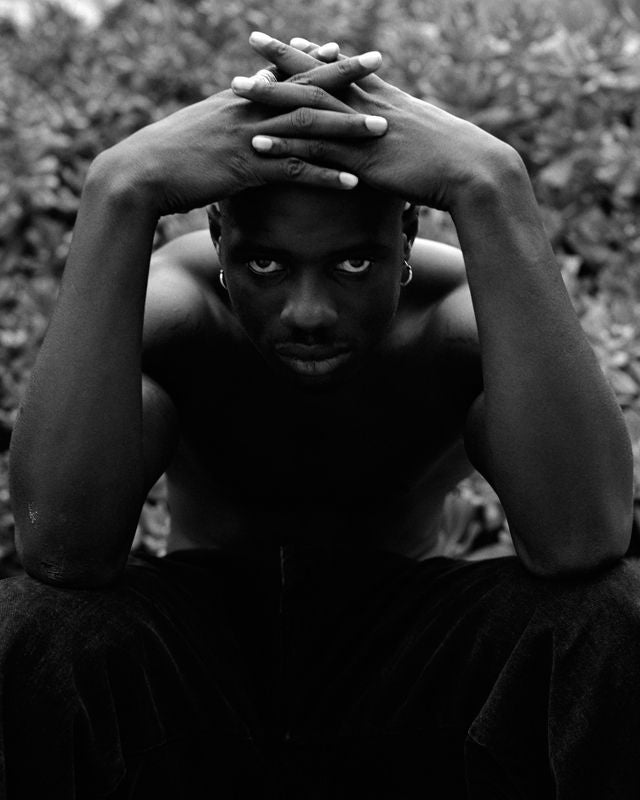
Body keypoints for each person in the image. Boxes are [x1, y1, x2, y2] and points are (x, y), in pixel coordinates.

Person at [4, 31, 640, 799]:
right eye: (265, 264)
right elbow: (61, 552)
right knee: (36, 630)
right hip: (202, 667)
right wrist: (119, 186)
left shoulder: (460, 323)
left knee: (613, 615)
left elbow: (582, 545)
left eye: (354, 263)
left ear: (406, 236)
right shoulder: (175, 316)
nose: (309, 313)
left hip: (408, 667)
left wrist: (491, 181)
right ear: (216, 239)